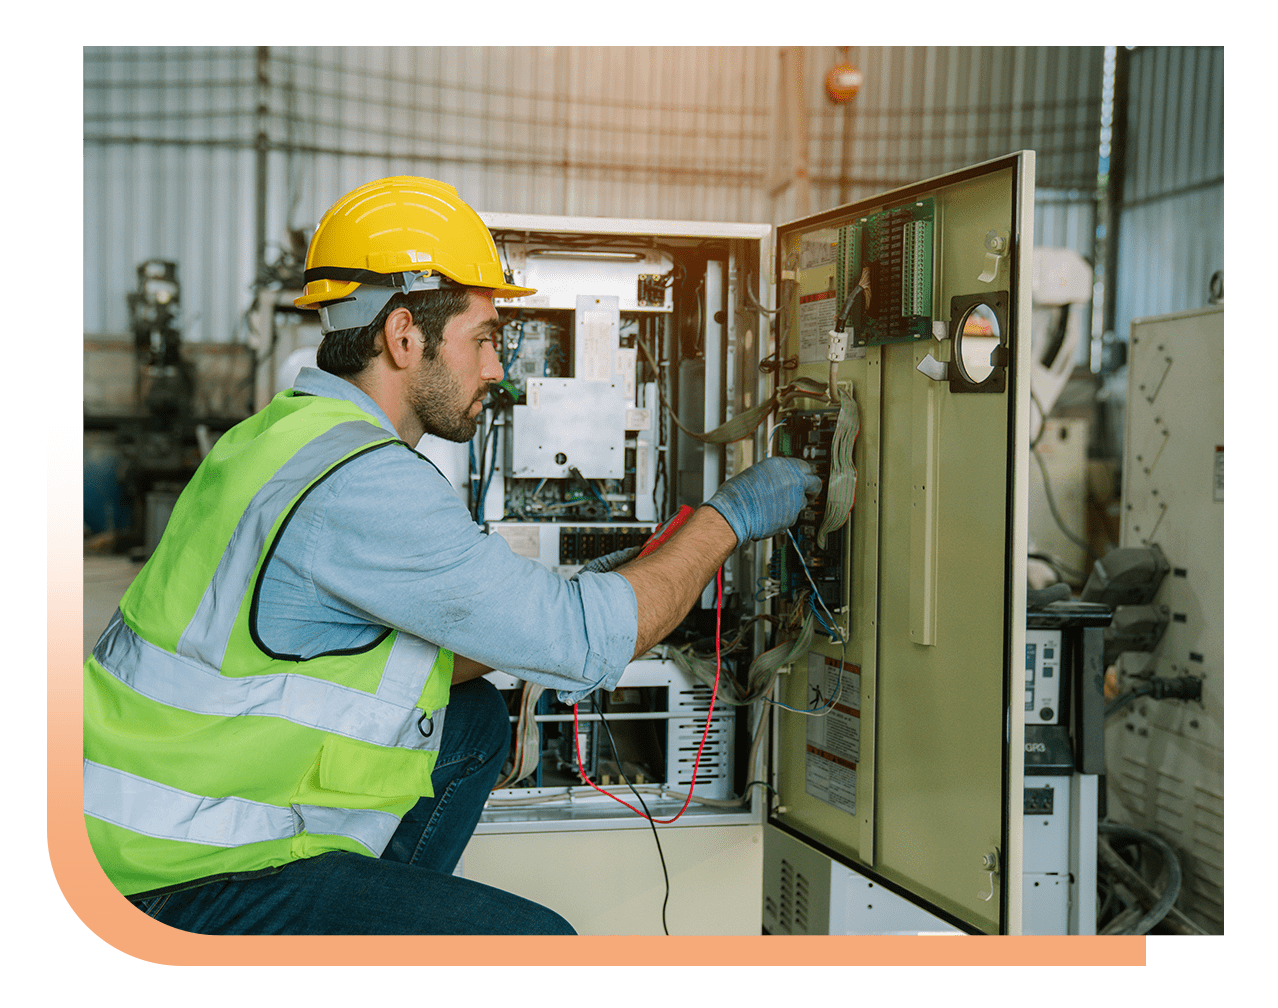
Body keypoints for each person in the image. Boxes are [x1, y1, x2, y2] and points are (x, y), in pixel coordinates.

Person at [83, 176, 820, 935]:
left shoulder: (274, 438)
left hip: (128, 815)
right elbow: (587, 644)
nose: (499, 369)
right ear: (404, 336)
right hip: (178, 872)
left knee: (469, 723)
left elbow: (355, 655)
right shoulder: (365, 483)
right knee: (541, 946)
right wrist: (727, 519)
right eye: (486, 338)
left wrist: (537, 606)